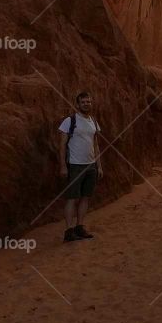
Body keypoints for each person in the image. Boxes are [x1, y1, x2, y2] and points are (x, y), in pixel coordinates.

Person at [58, 91, 101, 242]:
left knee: (85, 197)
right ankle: (69, 231)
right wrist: (63, 166)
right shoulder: (70, 121)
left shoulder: (93, 122)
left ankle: (79, 227)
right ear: (77, 104)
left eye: (88, 102)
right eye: (83, 102)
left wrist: (99, 166)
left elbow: (96, 145)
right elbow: (62, 145)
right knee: (71, 198)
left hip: (90, 166)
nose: (86, 104)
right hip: (75, 166)